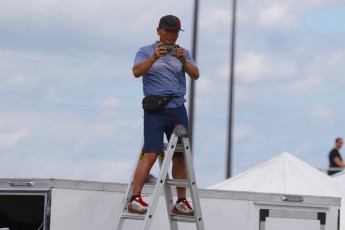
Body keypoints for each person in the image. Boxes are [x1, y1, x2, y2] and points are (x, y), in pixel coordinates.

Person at [128, 15, 199, 216]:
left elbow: (196, 74)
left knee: (180, 156)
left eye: (175, 32)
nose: (171, 35)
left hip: (177, 109)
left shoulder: (183, 52)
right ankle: (135, 198)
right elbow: (136, 72)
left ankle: (181, 201)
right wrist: (154, 57)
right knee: (151, 153)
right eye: (167, 31)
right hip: (156, 110)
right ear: (158, 31)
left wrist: (184, 60)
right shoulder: (145, 51)